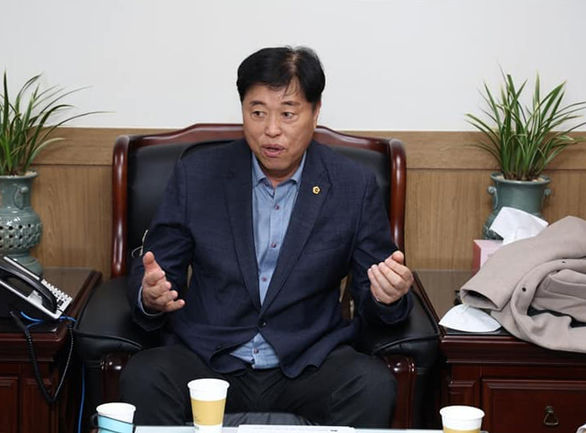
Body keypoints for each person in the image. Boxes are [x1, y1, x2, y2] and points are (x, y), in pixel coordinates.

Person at [121, 46, 414, 427]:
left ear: (315, 112)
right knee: (145, 376)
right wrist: (151, 296)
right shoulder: (197, 174)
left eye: (288, 113)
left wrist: (387, 295)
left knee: (371, 386)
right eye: (257, 112)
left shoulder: (352, 186)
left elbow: (374, 289)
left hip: (309, 360)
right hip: (209, 358)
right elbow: (159, 271)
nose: (271, 130)